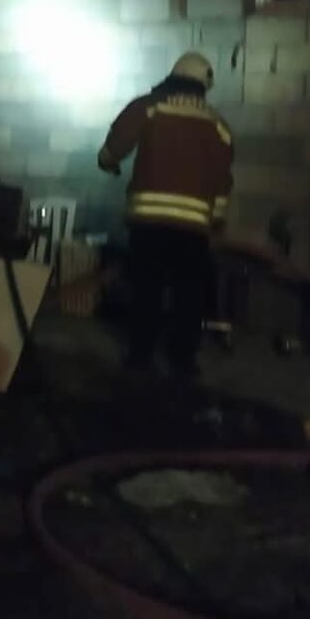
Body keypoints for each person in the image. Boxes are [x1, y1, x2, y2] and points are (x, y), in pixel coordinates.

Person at [97, 52, 233, 377]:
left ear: (174, 76)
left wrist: (108, 162)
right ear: (203, 86)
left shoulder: (150, 107)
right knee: (189, 296)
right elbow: (222, 182)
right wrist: (216, 221)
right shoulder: (219, 126)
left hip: (149, 224)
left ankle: (140, 356)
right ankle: (183, 361)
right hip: (194, 230)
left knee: (147, 289)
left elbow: (114, 146)